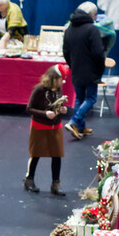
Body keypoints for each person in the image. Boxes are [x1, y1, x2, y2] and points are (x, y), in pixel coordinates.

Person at [62, 2, 105, 140]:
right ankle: (75, 120)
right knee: (91, 98)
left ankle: (80, 127)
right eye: (95, 14)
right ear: (91, 14)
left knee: (80, 98)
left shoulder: (69, 28)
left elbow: (65, 51)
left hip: (76, 68)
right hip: (91, 70)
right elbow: (99, 53)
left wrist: (72, 64)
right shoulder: (92, 29)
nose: (96, 16)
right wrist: (100, 68)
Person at [25, 65, 69, 196]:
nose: (62, 83)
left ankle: (56, 183)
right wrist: (45, 114)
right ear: (53, 78)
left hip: (56, 125)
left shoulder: (58, 88)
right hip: (39, 125)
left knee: (57, 154)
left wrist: (62, 109)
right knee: (36, 153)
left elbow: (58, 104)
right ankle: (29, 179)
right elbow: (29, 108)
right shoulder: (39, 89)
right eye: (60, 80)